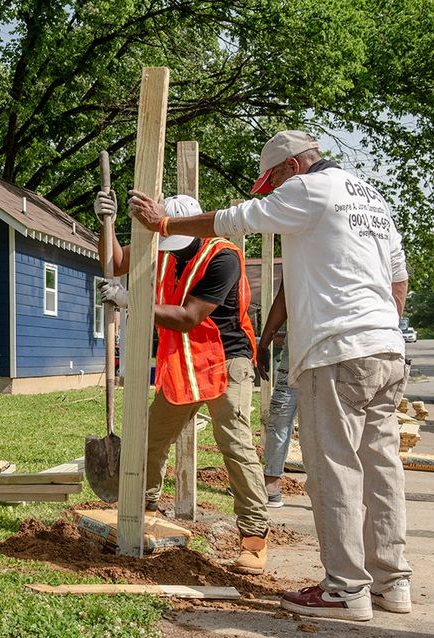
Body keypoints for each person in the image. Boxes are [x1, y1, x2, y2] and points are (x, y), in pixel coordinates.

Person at [126, 130, 411, 621]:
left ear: (292, 167)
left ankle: (346, 591)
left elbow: (238, 218)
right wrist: (280, 331)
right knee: (382, 468)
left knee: (335, 470)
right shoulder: (371, 197)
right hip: (384, 348)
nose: (272, 192)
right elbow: (399, 278)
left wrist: (165, 220)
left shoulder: (308, 189)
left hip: (338, 351)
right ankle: (393, 582)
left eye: (273, 180)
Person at [97, 191, 269, 575]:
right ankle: (143, 513)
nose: (166, 248)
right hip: (186, 360)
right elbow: (116, 261)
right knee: (151, 438)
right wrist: (105, 223)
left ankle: (254, 537)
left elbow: (190, 316)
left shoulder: (222, 256)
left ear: (193, 229)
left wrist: (132, 302)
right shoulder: (159, 244)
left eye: (173, 238)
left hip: (225, 359)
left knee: (235, 444)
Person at [256, 286, 298, 508]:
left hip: (339, 351)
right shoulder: (301, 253)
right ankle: (271, 482)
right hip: (299, 349)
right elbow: (284, 296)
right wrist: (264, 343)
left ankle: (332, 490)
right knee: (280, 412)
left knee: (328, 422)